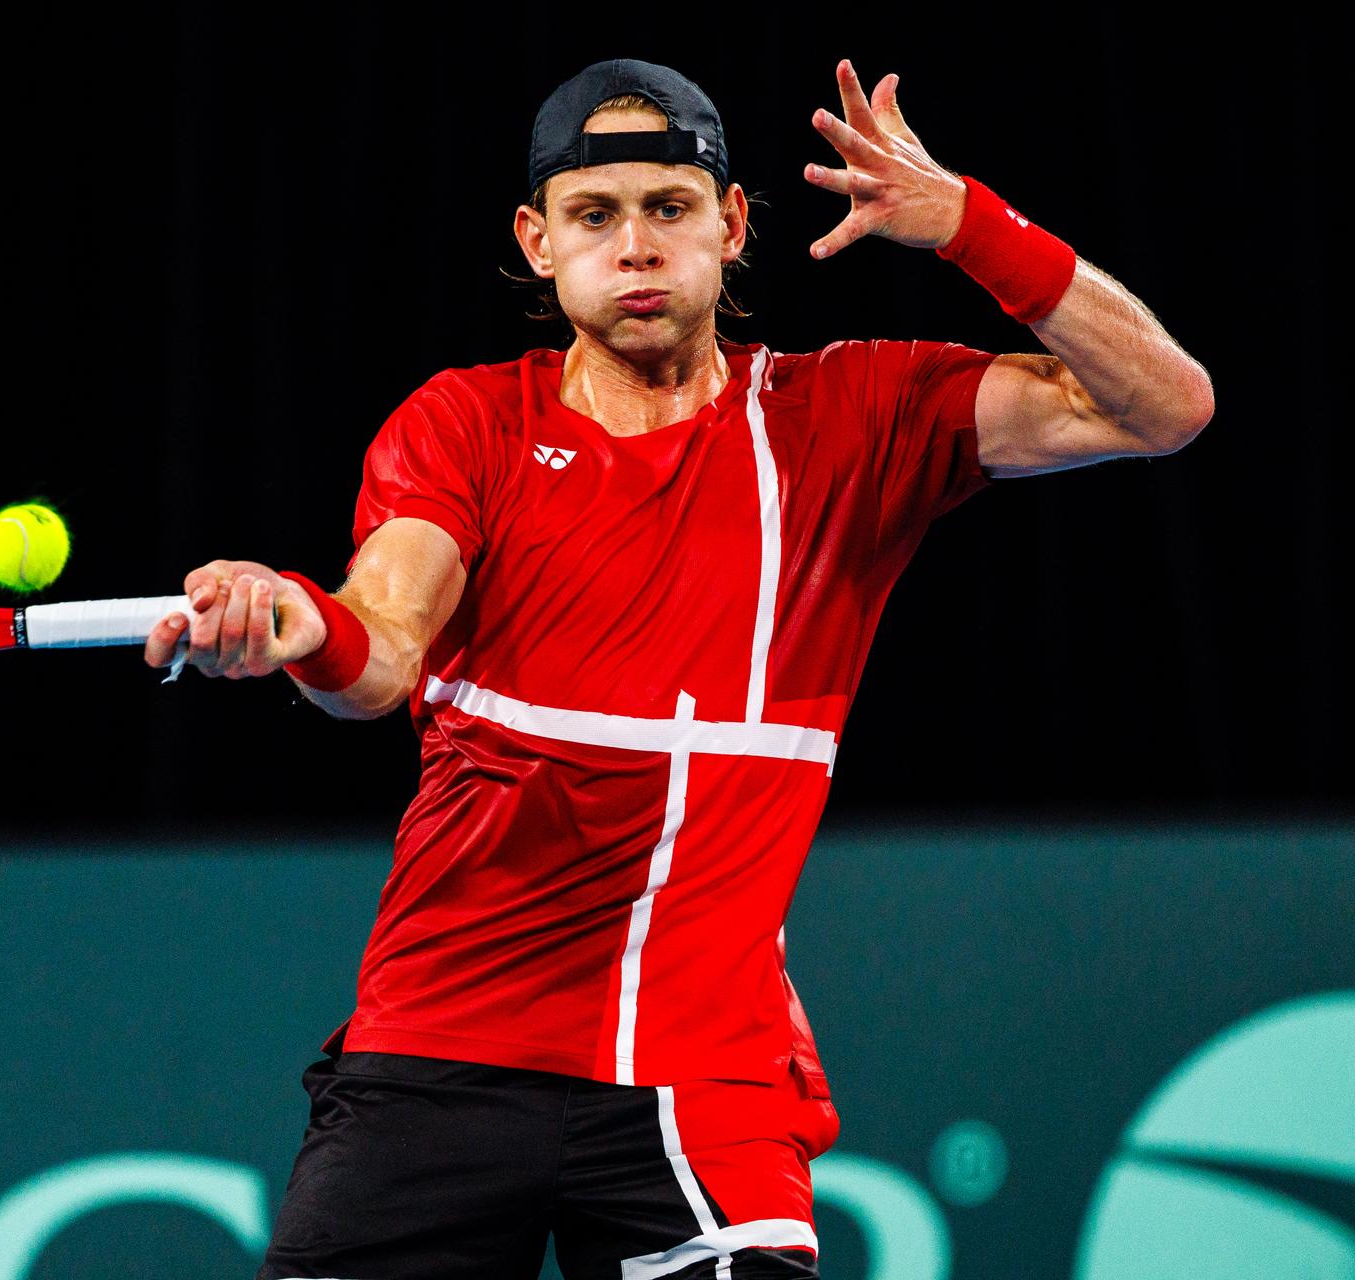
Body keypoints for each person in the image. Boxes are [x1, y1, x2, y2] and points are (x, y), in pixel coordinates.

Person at [146, 56, 1211, 1280]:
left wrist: (971, 223)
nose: (637, 246)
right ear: (538, 242)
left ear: (733, 224)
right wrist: (297, 624)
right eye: (597, 216)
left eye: (670, 207)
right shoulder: (465, 425)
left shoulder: (851, 416)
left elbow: (1162, 407)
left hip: (703, 1082)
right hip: (443, 1051)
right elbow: (382, 648)